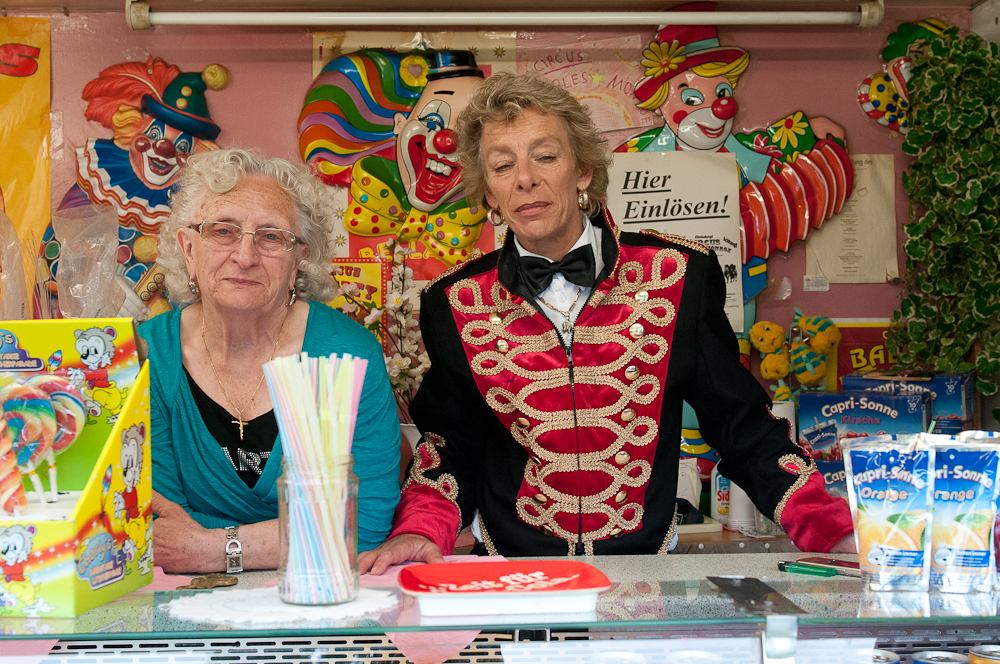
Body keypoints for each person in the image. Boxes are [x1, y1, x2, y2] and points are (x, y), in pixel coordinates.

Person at [360, 72, 854, 573]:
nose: (525, 178)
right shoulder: (454, 301)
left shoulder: (679, 274)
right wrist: (419, 530)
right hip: (512, 581)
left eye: (545, 156)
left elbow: (741, 424)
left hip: (643, 581)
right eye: (502, 166)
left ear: (583, 171)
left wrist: (833, 530)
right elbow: (452, 446)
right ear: (489, 194)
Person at [140, 148, 401, 574]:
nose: (245, 256)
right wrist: (298, 534)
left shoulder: (347, 353)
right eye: (222, 231)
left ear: (300, 257)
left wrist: (213, 549)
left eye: (271, 237)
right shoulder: (148, 356)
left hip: (321, 602)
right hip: (184, 609)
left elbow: (360, 527)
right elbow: (160, 528)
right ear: (188, 249)